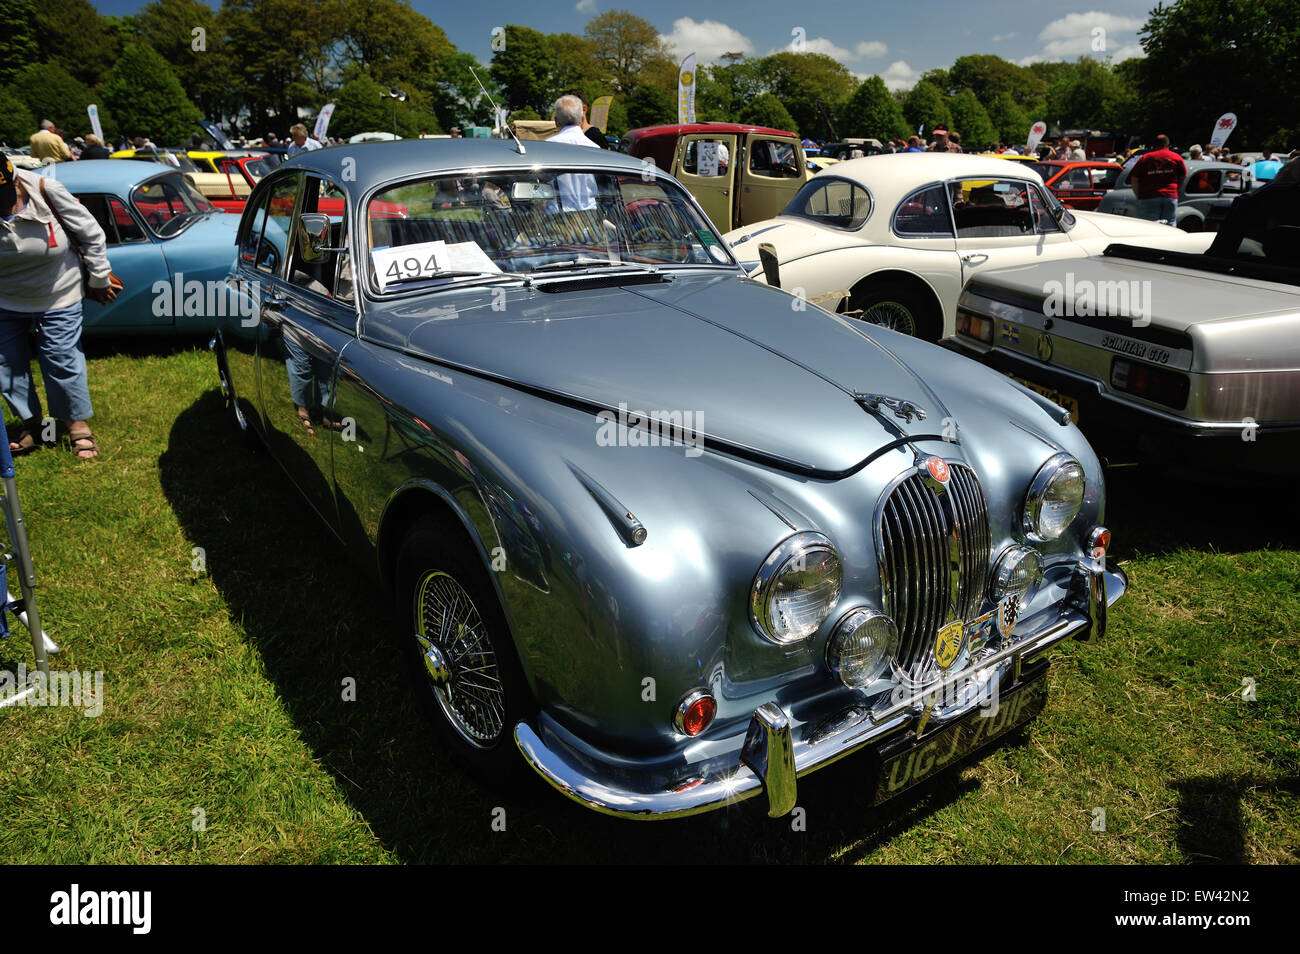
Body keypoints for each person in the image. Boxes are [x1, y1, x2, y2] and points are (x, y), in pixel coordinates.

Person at [0, 155, 111, 459]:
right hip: (4, 297)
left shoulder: (47, 189)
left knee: (60, 358)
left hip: (58, 291)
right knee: (7, 365)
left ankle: (76, 427)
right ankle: (35, 427)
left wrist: (99, 279)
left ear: (14, 180)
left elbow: (91, 234)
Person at [548, 94, 598, 213]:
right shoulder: (595, 148)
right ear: (581, 119)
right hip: (589, 215)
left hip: (557, 216)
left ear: (556, 121)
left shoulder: (547, 147)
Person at [1130, 134, 1186, 226]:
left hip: (1148, 196)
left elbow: (1134, 178)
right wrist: (1176, 190)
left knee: (1150, 225)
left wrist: (1138, 195)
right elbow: (1183, 176)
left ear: (1154, 144)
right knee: (1170, 225)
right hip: (1170, 196)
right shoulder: (1176, 157)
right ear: (1168, 144)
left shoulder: (1145, 158)